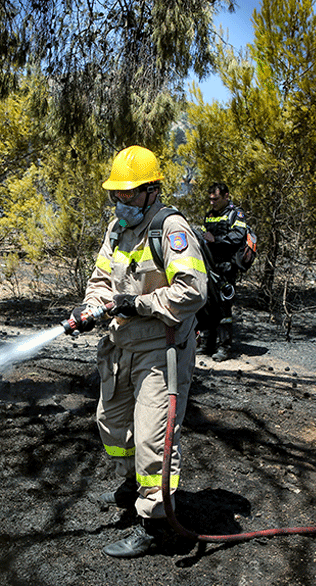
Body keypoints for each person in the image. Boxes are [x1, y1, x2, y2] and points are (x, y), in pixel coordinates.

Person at [67, 145, 208, 558]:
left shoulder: (171, 229)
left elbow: (192, 291)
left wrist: (138, 304)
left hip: (159, 351)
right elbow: (100, 279)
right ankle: (132, 482)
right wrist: (91, 307)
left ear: (151, 190)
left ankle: (154, 524)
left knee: (152, 438)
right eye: (117, 194)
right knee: (110, 425)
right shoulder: (116, 229)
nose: (120, 201)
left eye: (128, 194)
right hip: (118, 346)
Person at [200, 181, 247, 362]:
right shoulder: (209, 215)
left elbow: (237, 237)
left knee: (224, 307)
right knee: (207, 305)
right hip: (209, 267)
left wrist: (215, 239)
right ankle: (208, 343)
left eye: (216, 199)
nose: (212, 203)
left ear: (226, 196)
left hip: (226, 268)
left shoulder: (236, 214)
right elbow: (205, 235)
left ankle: (224, 347)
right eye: (210, 199)